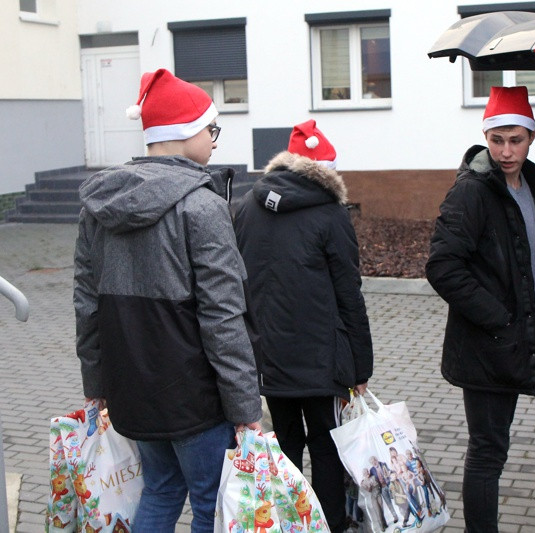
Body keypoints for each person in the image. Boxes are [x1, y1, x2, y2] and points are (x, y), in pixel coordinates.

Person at [73, 68, 263, 532]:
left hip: (130, 389)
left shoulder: (97, 207)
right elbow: (223, 316)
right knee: (209, 503)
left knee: (159, 490)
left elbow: (87, 304)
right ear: (184, 133)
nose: (215, 140)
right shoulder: (202, 205)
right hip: (194, 395)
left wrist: (97, 385)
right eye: (210, 128)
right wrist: (246, 409)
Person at [426, 85, 535, 532]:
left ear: (533, 136)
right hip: (486, 343)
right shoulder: (471, 191)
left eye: (516, 139)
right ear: (485, 137)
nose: (506, 151)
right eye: (497, 139)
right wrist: (498, 317)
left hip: (515, 338)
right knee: (487, 450)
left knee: (496, 447)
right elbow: (442, 266)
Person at [233, 119, 374, 533]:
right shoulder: (331, 215)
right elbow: (350, 293)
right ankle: (327, 524)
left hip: (268, 358)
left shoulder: (244, 208)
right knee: (328, 449)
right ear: (326, 171)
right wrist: (360, 366)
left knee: (285, 444)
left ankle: (287, 524)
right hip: (321, 361)